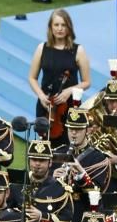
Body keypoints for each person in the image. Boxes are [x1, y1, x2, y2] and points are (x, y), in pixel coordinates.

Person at [27, 9, 91, 142]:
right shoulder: (42, 48)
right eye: (56, 25)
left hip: (68, 106)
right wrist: (41, 95)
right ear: (50, 27)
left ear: (69, 27)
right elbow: (32, 78)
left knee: (67, 144)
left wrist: (69, 91)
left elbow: (86, 82)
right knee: (44, 144)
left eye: (63, 25)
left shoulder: (78, 50)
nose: (60, 29)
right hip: (45, 105)